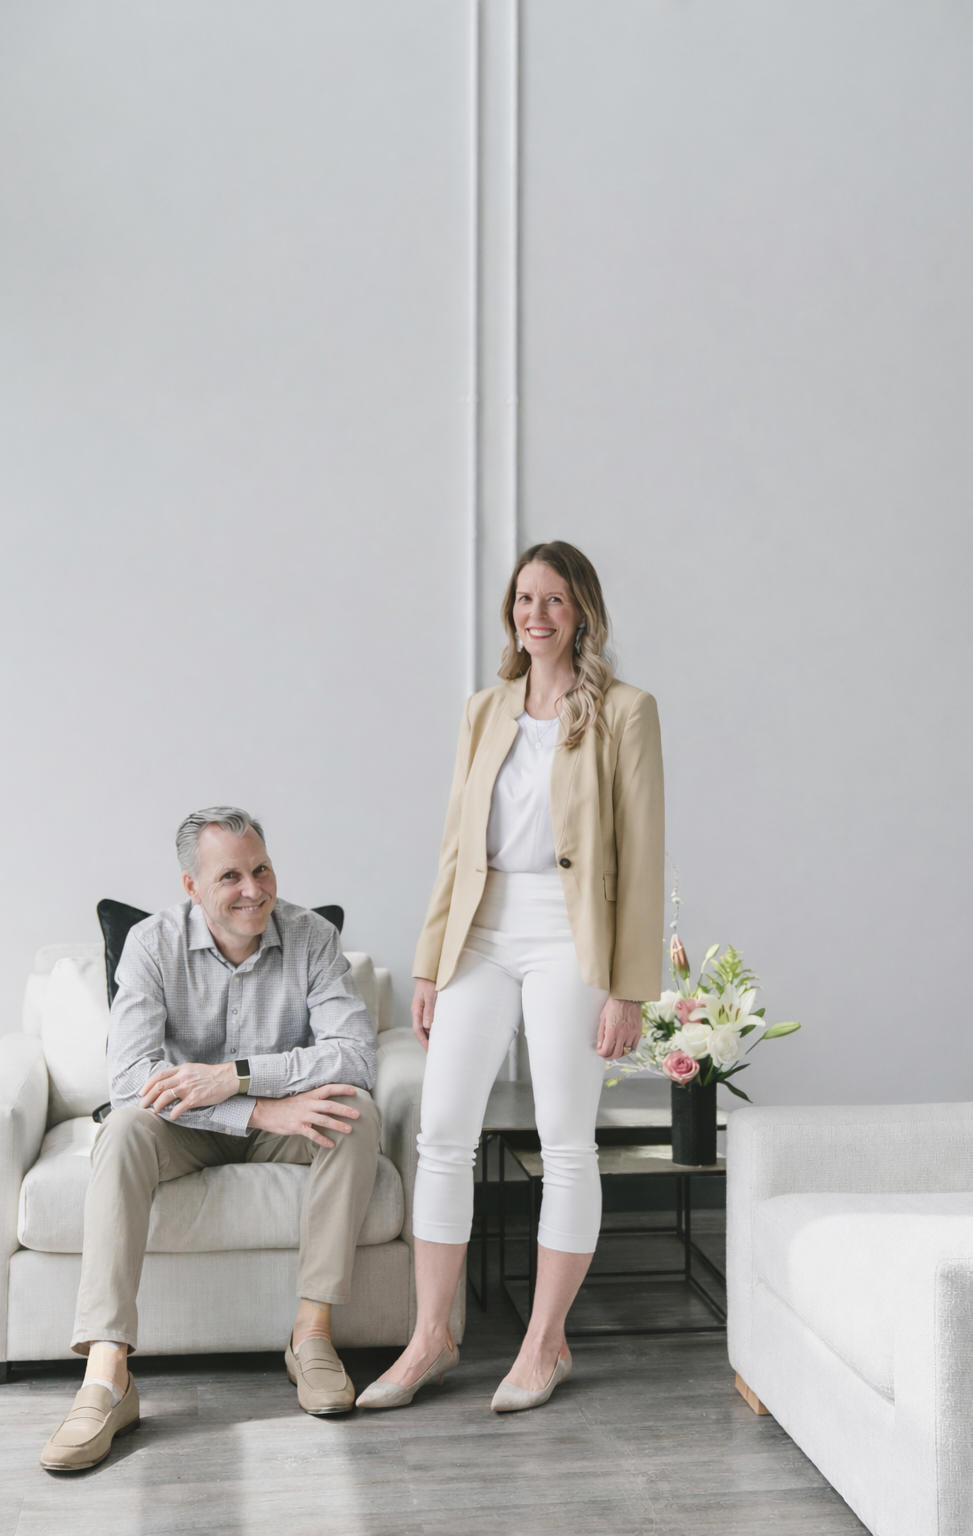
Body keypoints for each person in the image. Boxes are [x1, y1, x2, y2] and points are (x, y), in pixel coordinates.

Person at [358, 541, 664, 1413]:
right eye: (524, 598)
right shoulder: (484, 711)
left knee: (566, 1139)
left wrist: (628, 987)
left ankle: (544, 1343)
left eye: (554, 600)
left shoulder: (626, 712)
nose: (536, 613)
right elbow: (457, 846)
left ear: (582, 614)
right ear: (512, 613)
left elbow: (641, 857)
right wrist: (428, 962)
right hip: (480, 935)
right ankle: (432, 1338)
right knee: (442, 1133)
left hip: (572, 938)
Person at [40, 807, 381, 1471]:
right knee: (123, 1130)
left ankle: (311, 1336)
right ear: (192, 887)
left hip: (280, 1112)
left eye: (261, 870)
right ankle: (107, 1377)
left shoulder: (310, 937)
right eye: (230, 875)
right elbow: (133, 1081)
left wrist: (241, 1079)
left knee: (355, 1111)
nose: (253, 889)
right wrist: (253, 1114)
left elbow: (356, 1056)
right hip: (186, 1128)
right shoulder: (150, 944)